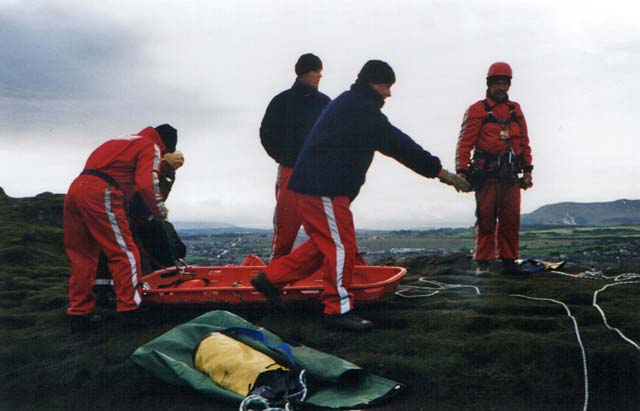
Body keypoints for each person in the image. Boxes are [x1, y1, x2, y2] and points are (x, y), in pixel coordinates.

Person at [251, 60, 471, 331]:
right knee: (342, 246)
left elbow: (393, 141)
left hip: (315, 186)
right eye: (386, 86)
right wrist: (440, 172)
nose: (389, 94)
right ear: (373, 83)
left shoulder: (350, 103)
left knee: (324, 245)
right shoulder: (361, 109)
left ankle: (270, 279)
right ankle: (337, 309)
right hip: (323, 188)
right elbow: (398, 144)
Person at [63, 124, 177, 332]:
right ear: (166, 145)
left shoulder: (119, 141)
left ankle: (79, 315)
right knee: (125, 253)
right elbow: (146, 183)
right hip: (102, 192)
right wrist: (160, 211)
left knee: (83, 256)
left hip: (75, 190)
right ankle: (130, 310)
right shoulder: (150, 146)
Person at [455, 62, 533, 276]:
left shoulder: (515, 110)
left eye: (504, 83)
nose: (501, 87)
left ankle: (509, 261)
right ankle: (483, 263)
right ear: (489, 84)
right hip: (486, 174)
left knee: (511, 219)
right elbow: (465, 142)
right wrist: (462, 171)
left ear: (509, 85)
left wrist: (528, 169)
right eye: (497, 83)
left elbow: (524, 141)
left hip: (510, 175)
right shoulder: (477, 110)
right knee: (486, 218)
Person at [260, 53, 330, 260]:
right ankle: (275, 274)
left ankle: (325, 271)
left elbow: (339, 134)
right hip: (290, 171)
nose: (319, 76)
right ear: (303, 73)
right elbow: (266, 133)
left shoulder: (325, 103)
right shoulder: (282, 101)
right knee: (286, 225)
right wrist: (285, 157)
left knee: (323, 226)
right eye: (315, 71)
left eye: (320, 72)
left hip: (318, 173)